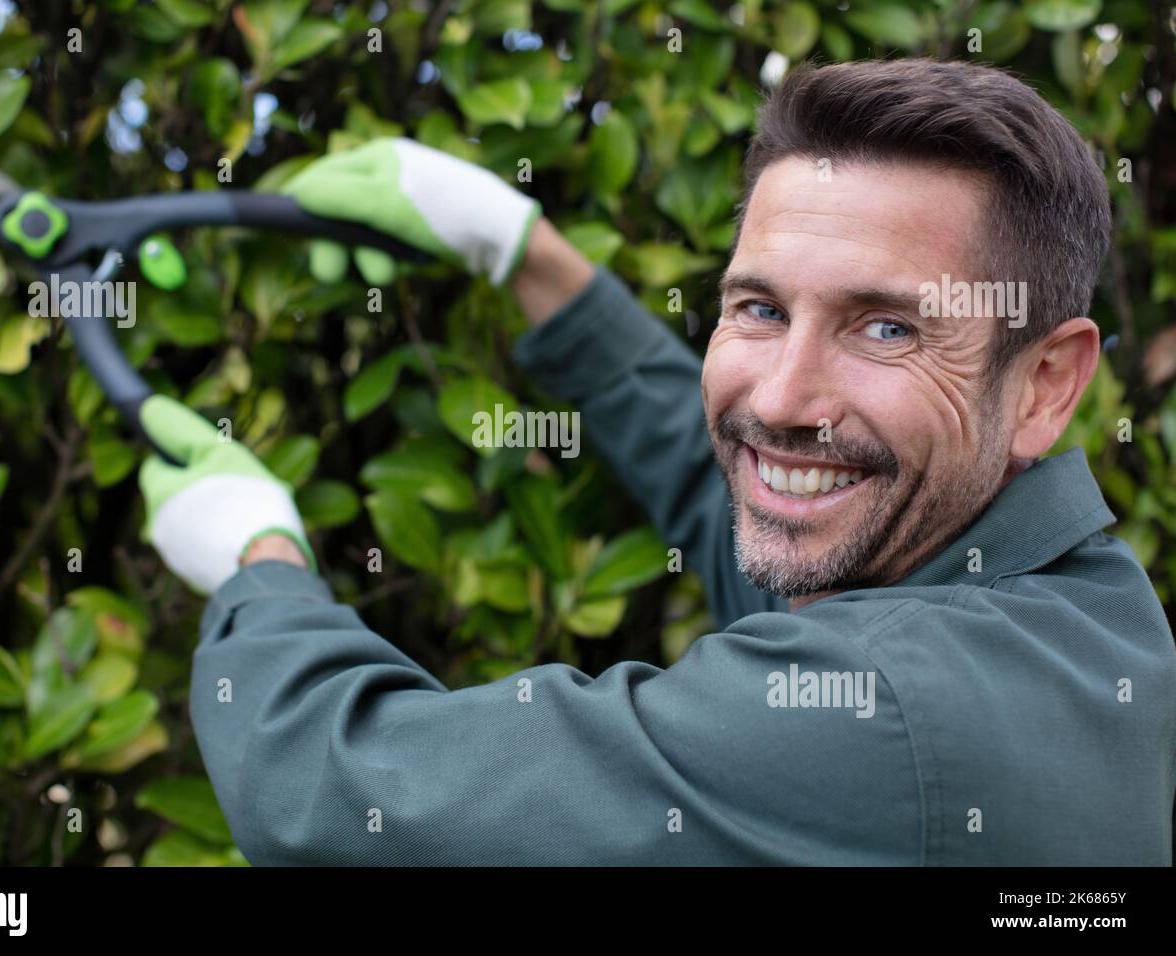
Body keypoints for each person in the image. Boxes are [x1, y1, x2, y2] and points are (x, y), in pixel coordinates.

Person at [136, 58, 1176, 865]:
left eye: (887, 330)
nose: (778, 398)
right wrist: (522, 250)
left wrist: (258, 562)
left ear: (1043, 383)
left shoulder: (889, 711)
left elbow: (349, 792)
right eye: (759, 308)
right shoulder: (1060, 615)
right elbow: (752, 511)